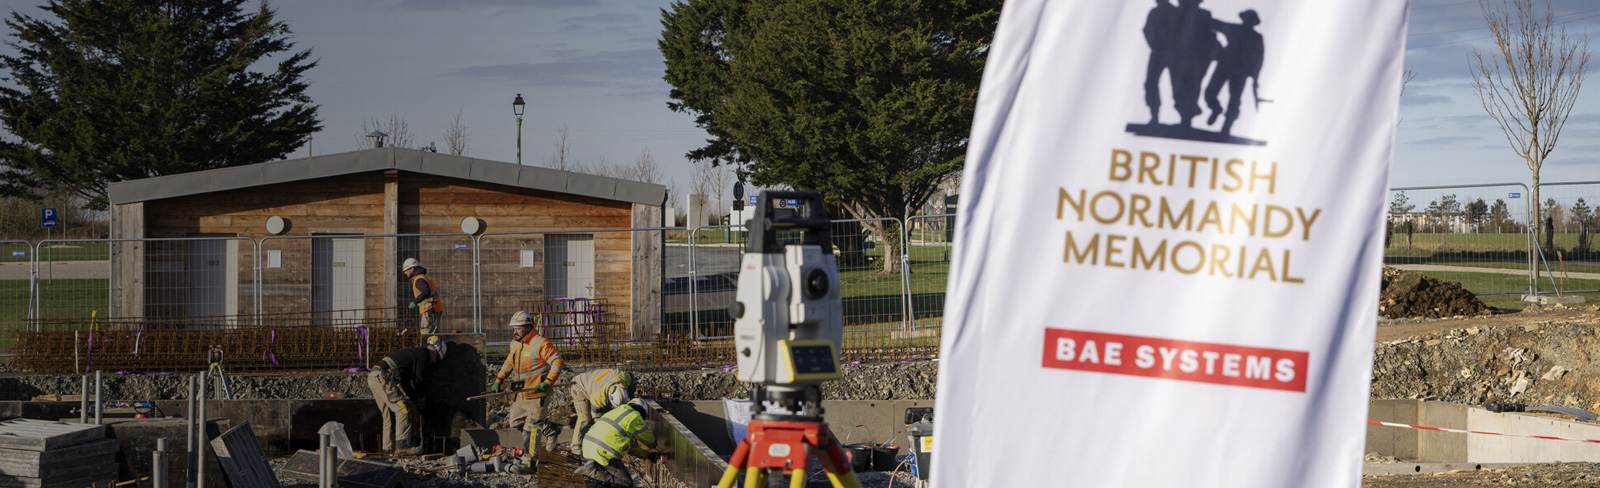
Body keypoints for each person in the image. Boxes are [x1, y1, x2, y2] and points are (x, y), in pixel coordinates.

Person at [491, 310, 565, 473]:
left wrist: (548, 382)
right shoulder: (515, 343)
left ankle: (529, 462)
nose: (515, 331)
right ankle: (551, 429)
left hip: (538, 394)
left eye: (518, 328)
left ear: (528, 327)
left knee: (531, 429)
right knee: (515, 423)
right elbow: (509, 363)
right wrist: (498, 380)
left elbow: (558, 361)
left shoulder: (541, 343)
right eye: (514, 328)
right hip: (521, 393)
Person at [366, 336, 447, 453]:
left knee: (388, 415)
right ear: (435, 351)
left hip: (375, 376)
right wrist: (421, 397)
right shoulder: (423, 354)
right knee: (402, 409)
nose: (435, 361)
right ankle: (402, 446)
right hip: (384, 376)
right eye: (437, 358)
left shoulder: (411, 357)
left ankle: (387, 450)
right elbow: (418, 380)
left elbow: (406, 384)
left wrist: (415, 401)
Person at [1204, 9, 1264, 136]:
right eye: (1247, 19)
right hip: (1224, 66)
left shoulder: (1256, 38)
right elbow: (1216, 24)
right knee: (1210, 92)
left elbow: (1259, 59)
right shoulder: (1234, 29)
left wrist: (1255, 78)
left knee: (1234, 100)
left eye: (1250, 19)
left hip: (1240, 70)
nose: (1247, 21)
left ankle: (1226, 127)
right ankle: (1216, 109)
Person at [576, 398, 659, 488]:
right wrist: (654, 446)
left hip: (588, 447)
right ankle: (594, 472)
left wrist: (647, 455)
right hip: (604, 452)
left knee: (613, 478)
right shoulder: (634, 416)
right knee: (625, 482)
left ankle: (594, 470)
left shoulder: (616, 412)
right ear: (643, 413)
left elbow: (630, 448)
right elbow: (649, 439)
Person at [568, 369, 635, 449]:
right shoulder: (598, 398)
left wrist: (632, 398)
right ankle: (576, 446)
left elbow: (632, 383)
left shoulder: (625, 377)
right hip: (579, 386)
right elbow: (597, 418)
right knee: (585, 418)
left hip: (593, 384)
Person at [404, 258, 443, 333]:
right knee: (434, 332)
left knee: (426, 332)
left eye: (406, 270)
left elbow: (425, 292)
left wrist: (415, 302)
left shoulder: (419, 280)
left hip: (429, 308)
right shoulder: (422, 276)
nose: (405, 273)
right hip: (433, 307)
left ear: (412, 269)